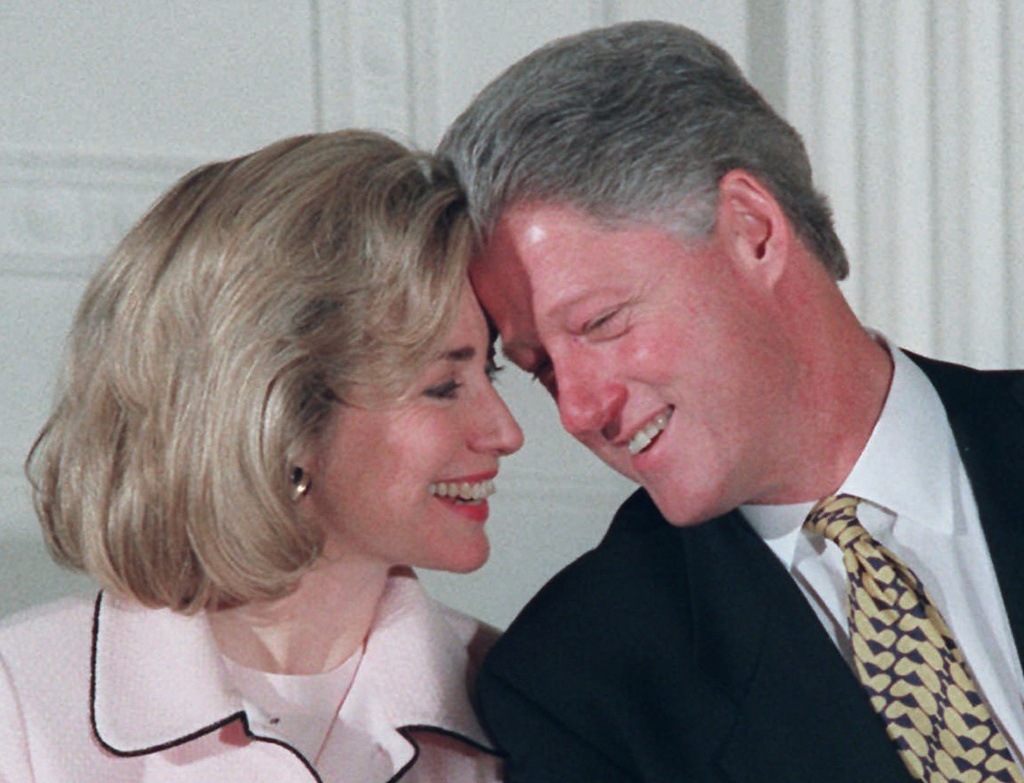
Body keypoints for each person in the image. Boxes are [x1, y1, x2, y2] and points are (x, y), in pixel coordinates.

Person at [438, 20, 1024, 783]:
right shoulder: (576, 682)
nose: (577, 411)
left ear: (752, 229)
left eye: (601, 323)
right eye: (543, 367)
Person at [0, 129, 524, 781]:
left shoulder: (514, 699)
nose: (505, 432)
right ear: (279, 413)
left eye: (490, 375)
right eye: (444, 386)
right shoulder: (20, 699)